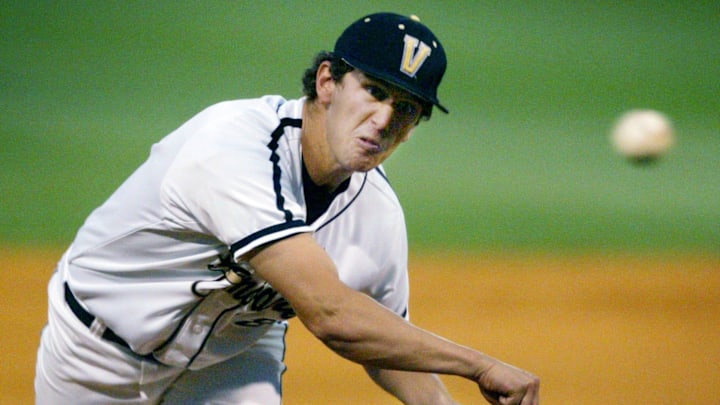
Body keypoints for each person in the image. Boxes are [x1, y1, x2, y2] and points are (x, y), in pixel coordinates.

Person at [35, 12, 540, 405]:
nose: (384, 119)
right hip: (93, 355)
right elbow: (332, 314)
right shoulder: (232, 145)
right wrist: (478, 364)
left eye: (406, 108)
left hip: (226, 365)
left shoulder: (377, 213)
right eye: (373, 90)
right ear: (327, 83)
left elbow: (392, 349)